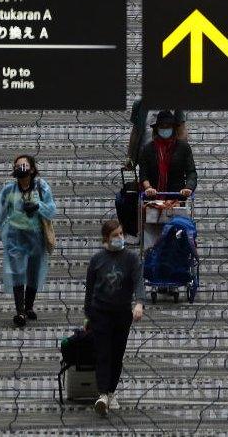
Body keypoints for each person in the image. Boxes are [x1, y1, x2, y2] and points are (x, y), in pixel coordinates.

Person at [0, 155, 57, 328]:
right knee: (16, 272)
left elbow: (52, 209)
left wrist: (38, 206)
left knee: (33, 271)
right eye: (17, 166)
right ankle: (20, 312)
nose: (20, 168)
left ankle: (29, 306)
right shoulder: (9, 190)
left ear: (32, 169)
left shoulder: (41, 187)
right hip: (15, 237)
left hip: (36, 236)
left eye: (24, 165)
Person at [85, 219, 145, 417]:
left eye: (121, 234)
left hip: (122, 313)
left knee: (117, 354)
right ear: (106, 238)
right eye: (115, 235)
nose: (119, 238)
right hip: (100, 312)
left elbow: (138, 281)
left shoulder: (131, 258)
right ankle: (102, 394)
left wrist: (139, 303)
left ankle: (111, 391)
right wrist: (88, 316)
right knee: (103, 353)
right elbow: (90, 290)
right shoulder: (97, 260)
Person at [139, 110, 198, 199]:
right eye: (162, 127)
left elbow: (191, 172)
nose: (165, 129)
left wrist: (188, 188)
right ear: (157, 129)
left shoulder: (183, 147)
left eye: (168, 126)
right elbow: (143, 173)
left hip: (177, 197)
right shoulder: (148, 149)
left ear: (173, 128)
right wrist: (148, 188)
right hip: (152, 198)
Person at [125, 100, 187, 170]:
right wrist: (130, 157)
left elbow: (181, 132)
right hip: (146, 158)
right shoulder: (139, 104)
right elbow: (136, 131)